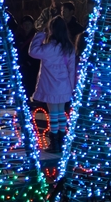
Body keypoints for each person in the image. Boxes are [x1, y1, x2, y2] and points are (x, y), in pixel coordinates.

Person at [29, 16, 77, 155]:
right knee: (61, 112)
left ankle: (54, 142)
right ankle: (62, 140)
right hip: (64, 85)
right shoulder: (69, 47)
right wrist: (71, 87)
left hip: (50, 85)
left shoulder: (49, 48)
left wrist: (40, 34)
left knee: (53, 113)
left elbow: (33, 51)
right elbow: (72, 69)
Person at [6, 12, 39, 98]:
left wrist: (30, 62)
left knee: (31, 84)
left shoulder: (36, 37)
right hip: (21, 65)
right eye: (25, 24)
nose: (27, 26)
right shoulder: (18, 37)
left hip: (33, 66)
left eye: (29, 24)